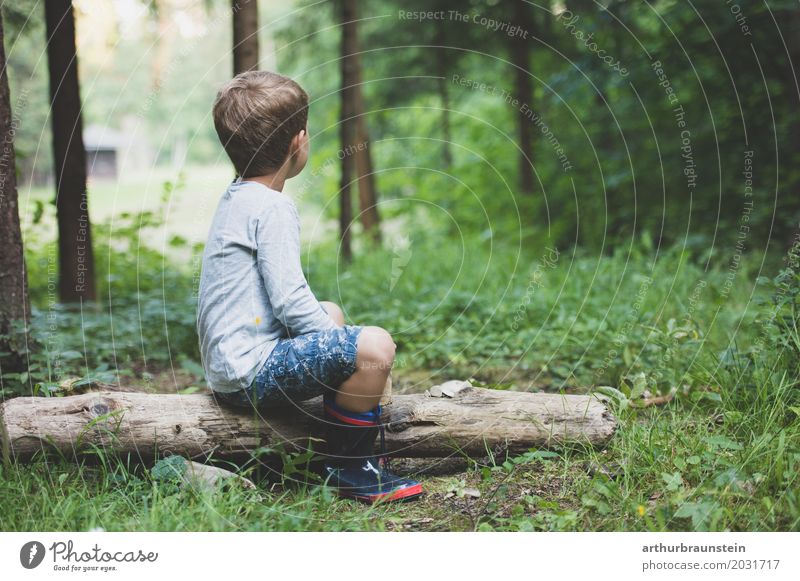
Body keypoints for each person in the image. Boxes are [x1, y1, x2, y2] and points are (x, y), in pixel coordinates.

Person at [196, 70, 423, 504]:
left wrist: (336, 338)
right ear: (298, 143)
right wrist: (356, 351)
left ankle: (338, 422)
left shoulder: (237, 198)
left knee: (333, 312)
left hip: (229, 365)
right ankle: (352, 466)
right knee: (375, 347)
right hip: (249, 374)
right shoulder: (274, 207)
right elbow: (290, 300)